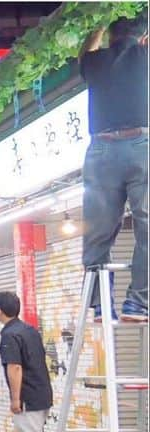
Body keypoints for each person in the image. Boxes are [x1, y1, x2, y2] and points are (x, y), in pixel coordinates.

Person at [79, 14, 148, 322]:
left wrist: (99, 23)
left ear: (109, 37)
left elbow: (85, 52)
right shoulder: (144, 54)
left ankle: (98, 305)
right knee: (147, 225)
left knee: (97, 232)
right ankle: (137, 301)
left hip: (102, 149)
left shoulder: (95, 62)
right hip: (140, 145)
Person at [0, 291, 54, 432]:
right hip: (42, 391)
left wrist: (15, 399)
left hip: (28, 395)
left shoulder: (10, 335)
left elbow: (15, 367)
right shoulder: (30, 330)